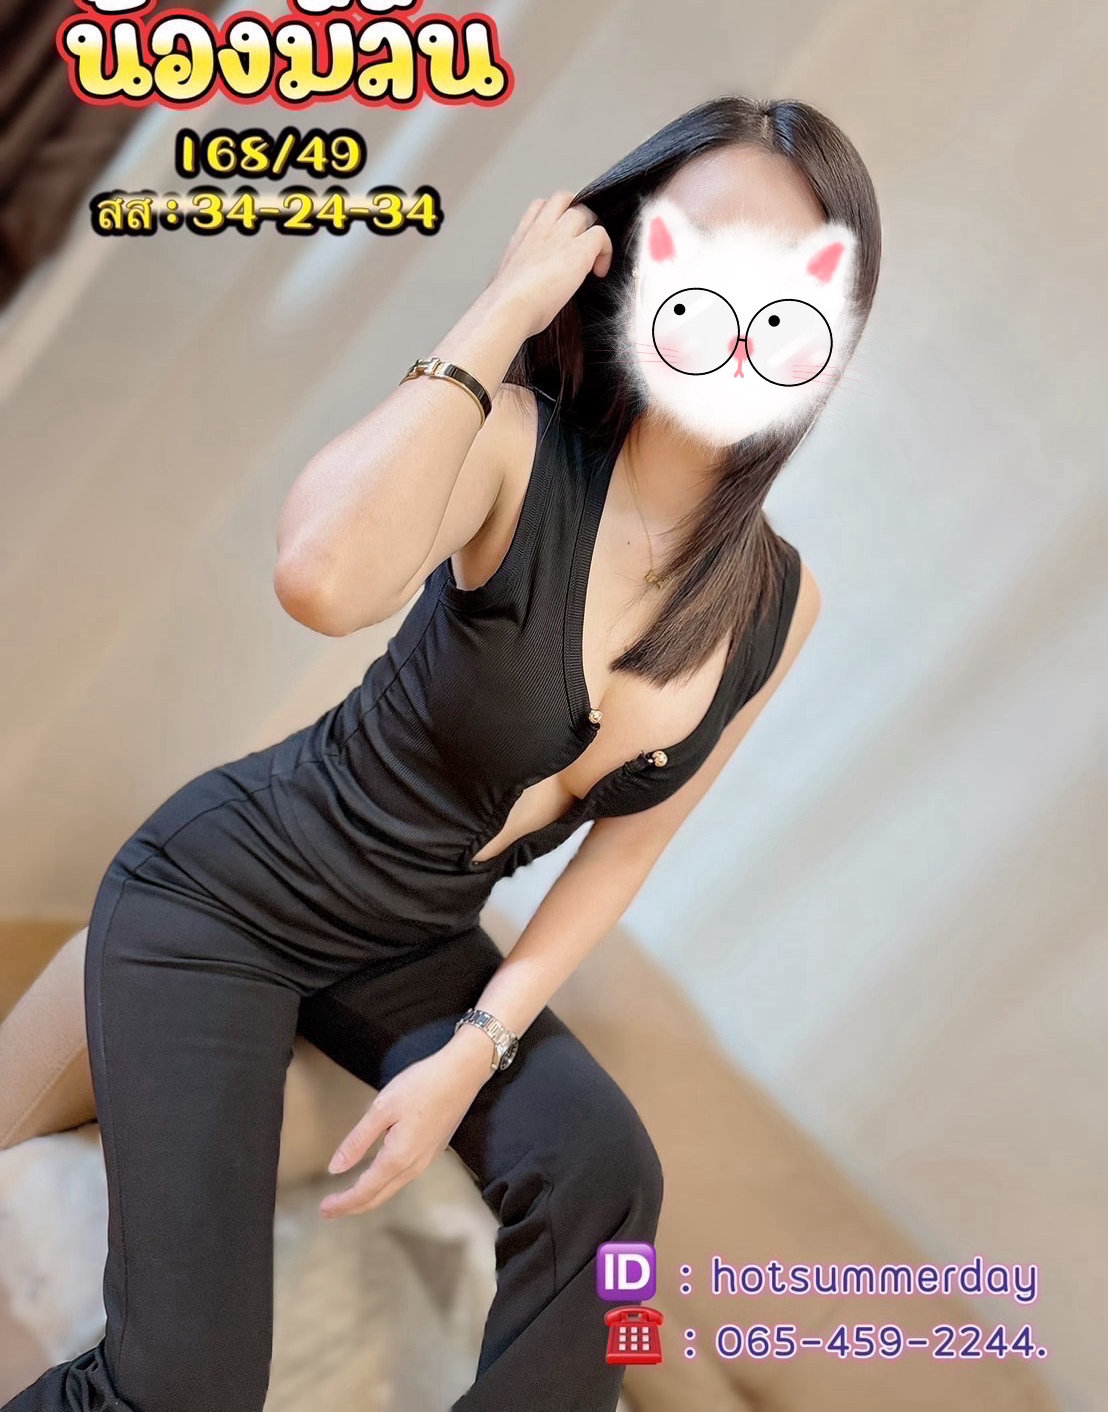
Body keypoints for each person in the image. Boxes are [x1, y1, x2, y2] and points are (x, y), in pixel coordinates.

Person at [4, 94, 880, 1412]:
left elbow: (625, 852)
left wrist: (476, 1045)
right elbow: (319, 578)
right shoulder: (517, 446)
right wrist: (503, 305)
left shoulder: (777, 603)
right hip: (226, 898)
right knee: (183, 1388)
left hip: (413, 946)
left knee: (606, 1168)